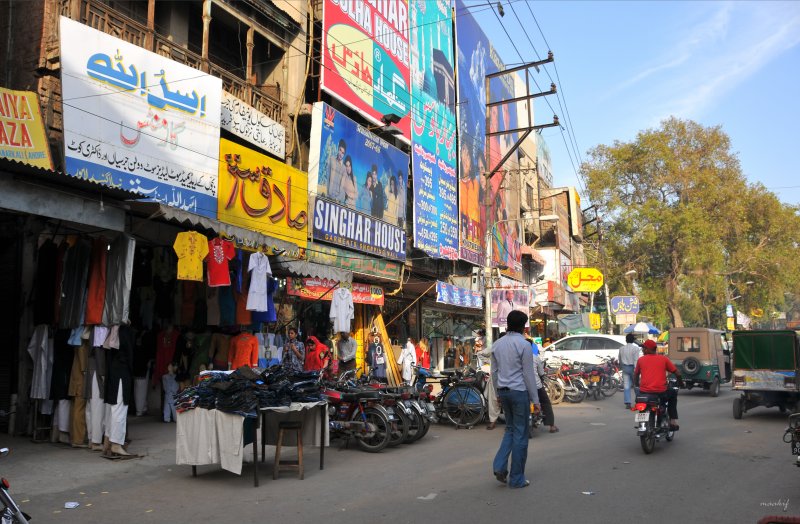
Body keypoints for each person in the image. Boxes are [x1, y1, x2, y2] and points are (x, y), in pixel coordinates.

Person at [491, 310, 540, 489]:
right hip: (519, 392)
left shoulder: (497, 344)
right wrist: (536, 400)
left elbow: (494, 373)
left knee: (510, 430)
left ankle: (499, 466)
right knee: (520, 434)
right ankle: (517, 478)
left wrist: (497, 393)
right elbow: (528, 375)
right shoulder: (524, 345)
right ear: (523, 326)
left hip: (503, 392)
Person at [634, 339, 682, 430]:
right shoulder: (663, 359)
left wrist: (636, 385)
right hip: (660, 392)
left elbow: (636, 374)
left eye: (644, 348)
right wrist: (681, 383)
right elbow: (678, 373)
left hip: (644, 392)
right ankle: (672, 421)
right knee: (673, 393)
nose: (643, 350)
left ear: (648, 349)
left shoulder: (641, 360)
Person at [531, 340, 558, 433]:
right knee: (546, 403)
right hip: (537, 386)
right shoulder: (535, 358)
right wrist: (542, 377)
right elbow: (541, 373)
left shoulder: (517, 358)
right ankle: (552, 425)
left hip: (522, 387)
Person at [475, 335, 500, 430]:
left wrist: (489, 361)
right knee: (494, 400)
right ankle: (493, 420)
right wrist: (489, 361)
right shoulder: (495, 347)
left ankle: (494, 421)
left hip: (501, 378)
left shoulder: (497, 346)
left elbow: (480, 354)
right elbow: (479, 354)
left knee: (496, 400)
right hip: (496, 378)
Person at [619, 333, 642, 409]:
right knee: (636, 385)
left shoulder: (621, 348)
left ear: (626, 340)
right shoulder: (636, 349)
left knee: (626, 386)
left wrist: (621, 367)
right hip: (633, 368)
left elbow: (620, 360)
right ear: (633, 340)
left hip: (625, 368)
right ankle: (639, 401)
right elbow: (636, 360)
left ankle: (628, 403)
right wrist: (637, 370)